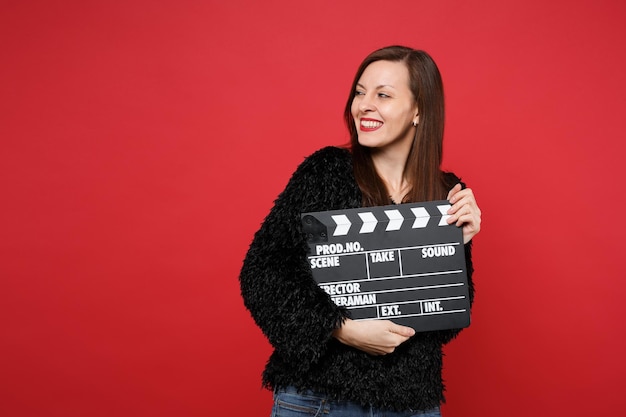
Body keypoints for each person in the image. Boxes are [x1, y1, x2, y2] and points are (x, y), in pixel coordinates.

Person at [239, 45, 481, 417]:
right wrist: (340, 329)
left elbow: (444, 323)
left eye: (383, 95)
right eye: (360, 92)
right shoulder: (326, 172)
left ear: (419, 110)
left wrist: (455, 246)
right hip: (318, 398)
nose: (364, 105)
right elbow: (263, 273)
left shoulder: (445, 190)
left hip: (410, 403)